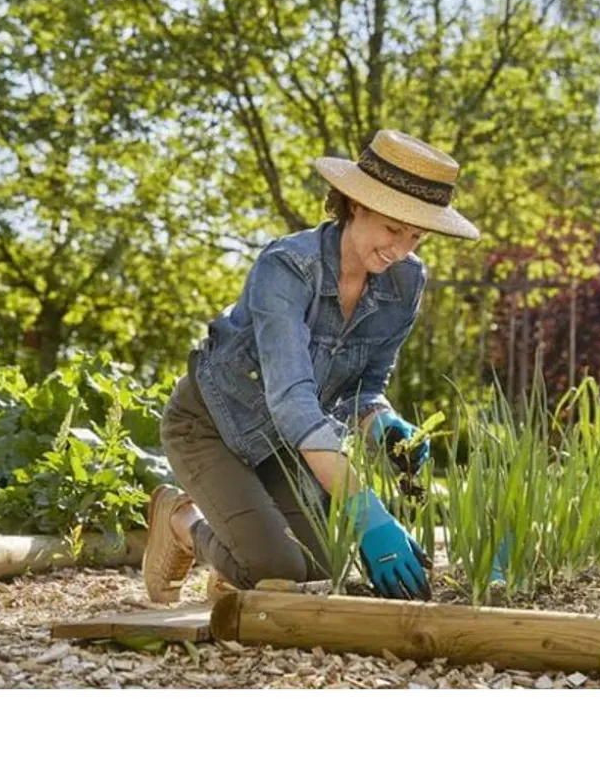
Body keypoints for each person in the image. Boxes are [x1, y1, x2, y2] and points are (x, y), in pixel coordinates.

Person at [142, 129, 479, 604]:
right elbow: (294, 403)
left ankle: (235, 553)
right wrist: (368, 511)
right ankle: (180, 521)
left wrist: (383, 423)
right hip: (211, 425)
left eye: (416, 235)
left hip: (281, 447)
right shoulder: (287, 267)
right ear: (356, 204)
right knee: (275, 569)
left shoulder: (406, 282)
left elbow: (366, 385)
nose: (401, 249)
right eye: (392, 228)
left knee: (324, 565)